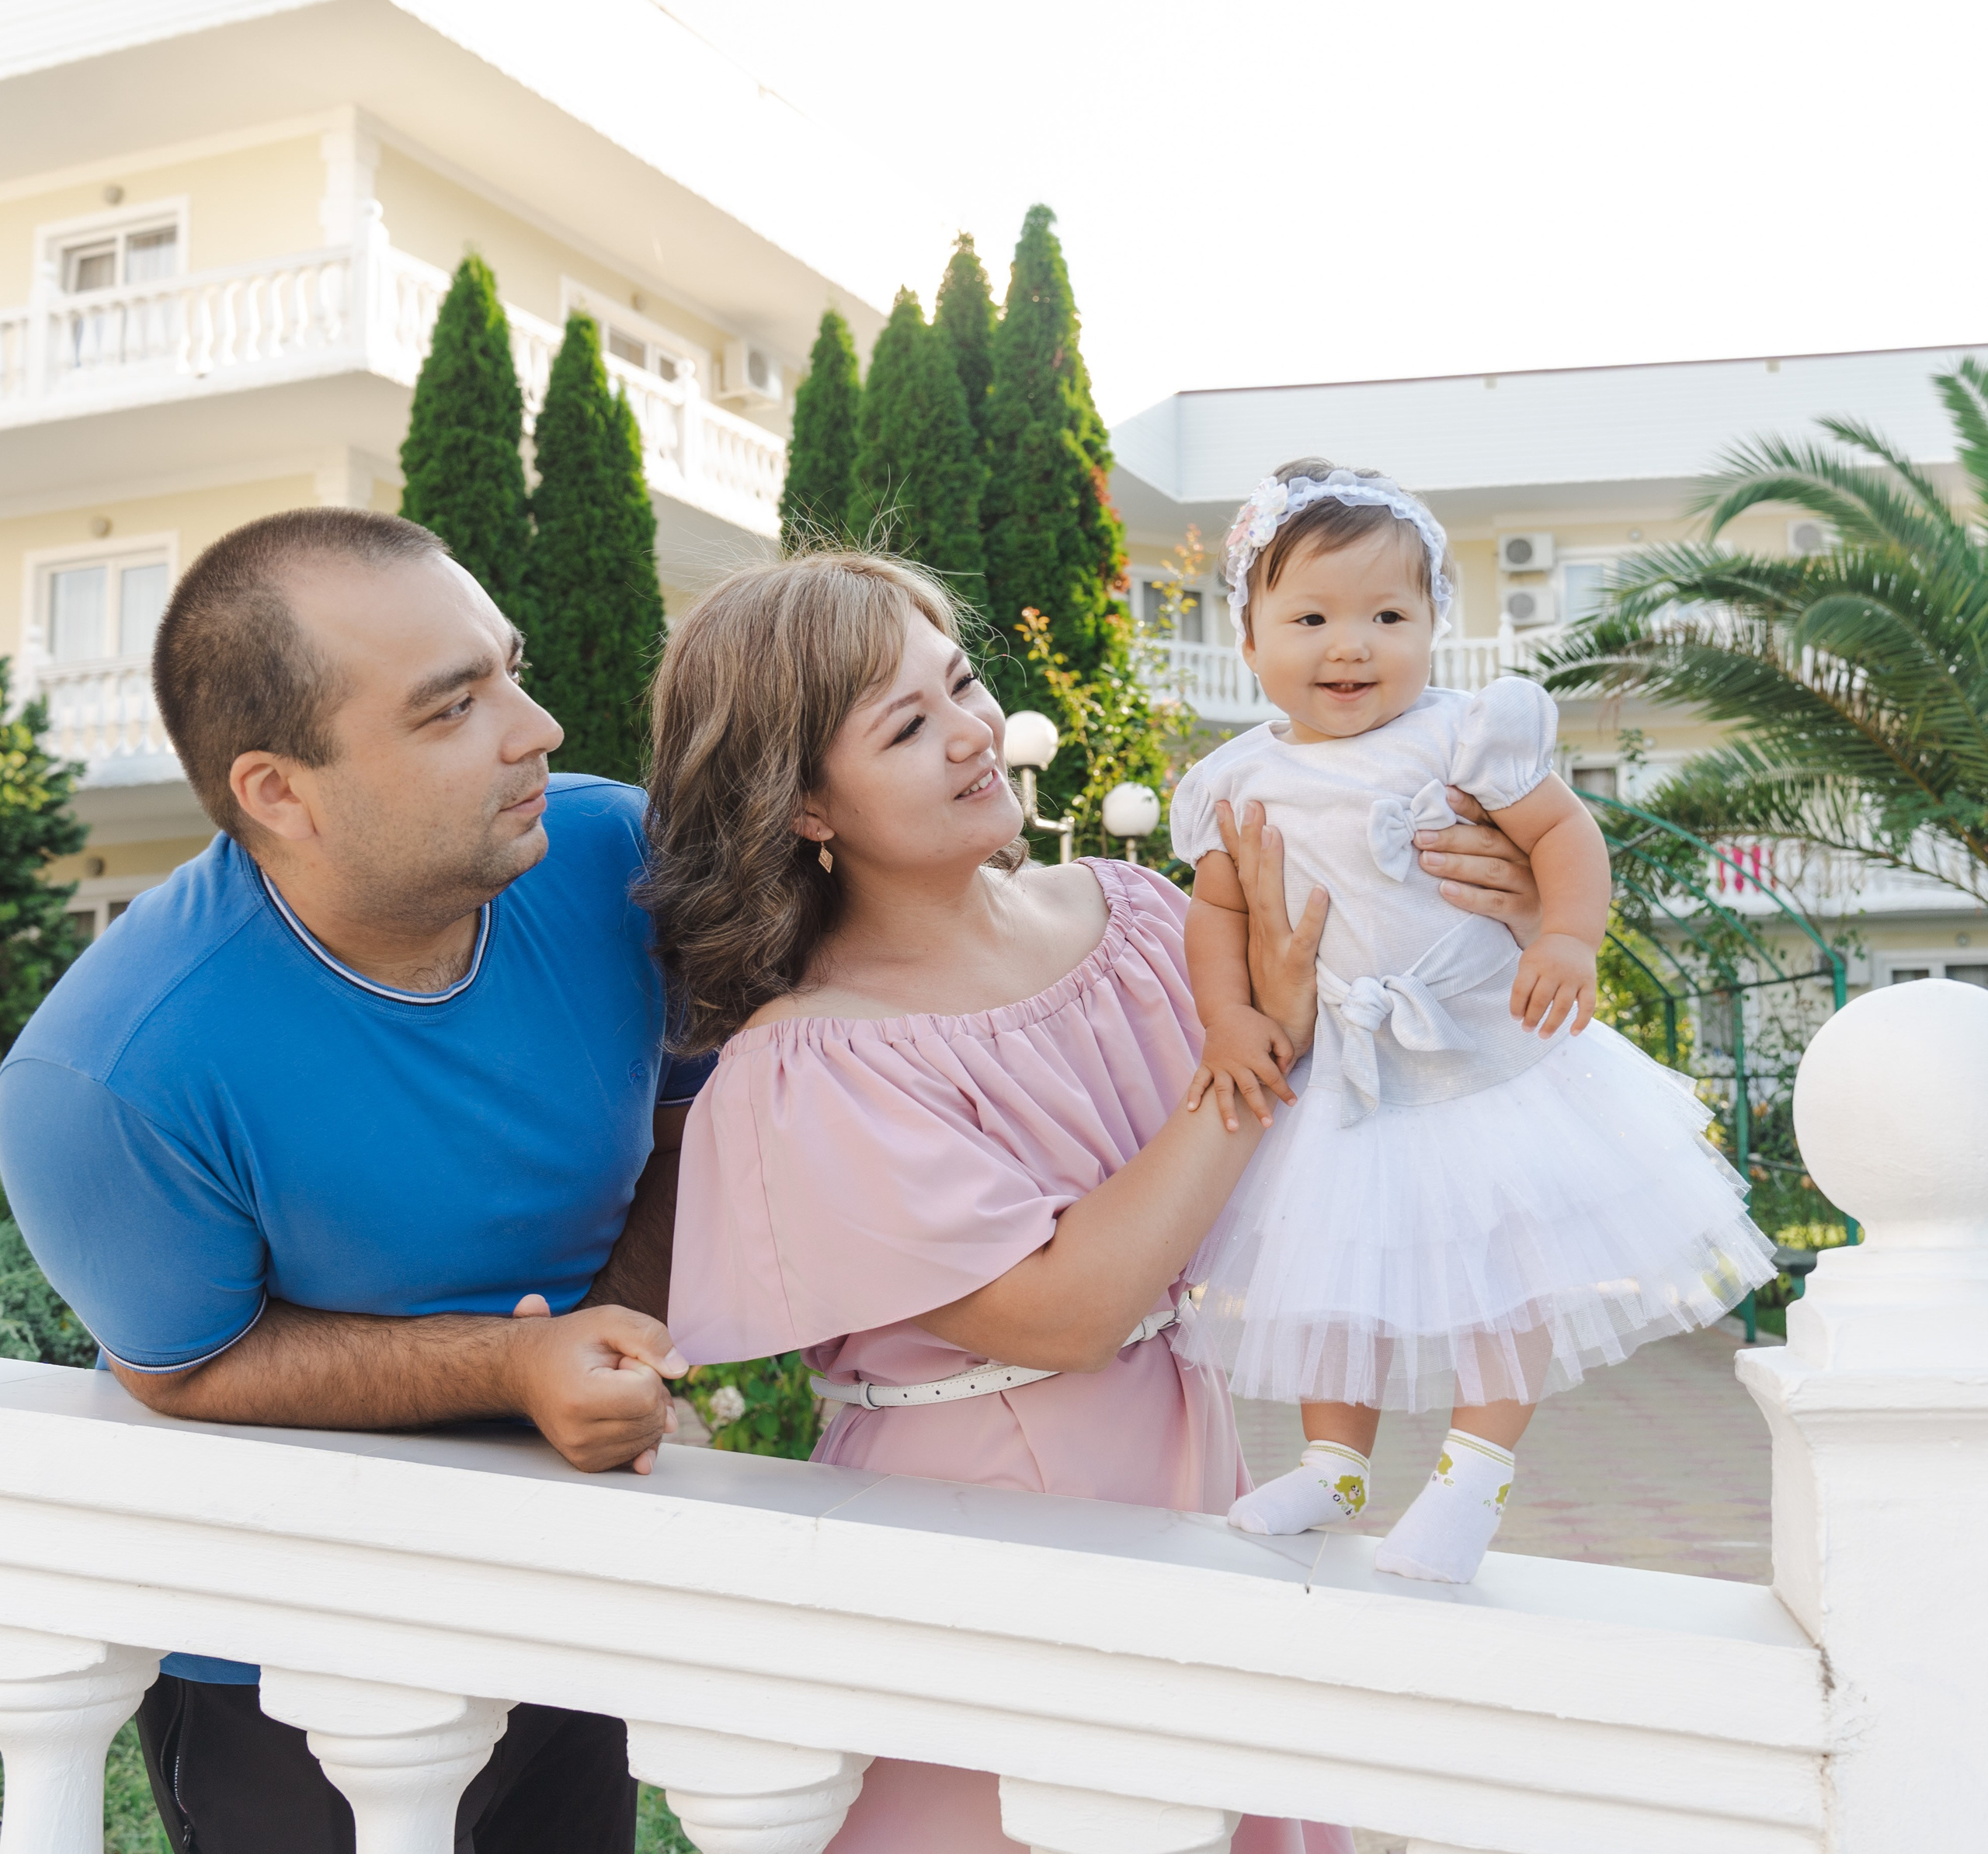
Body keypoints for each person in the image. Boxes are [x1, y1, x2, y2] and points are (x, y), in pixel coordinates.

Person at [647, 549, 1546, 1853]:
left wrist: (1503, 911)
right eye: (906, 727)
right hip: (976, 1548)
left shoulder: (1134, 918)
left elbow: (1365, 1070)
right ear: (803, 808)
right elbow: (1065, 1313)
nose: (972, 733)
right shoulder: (811, 1063)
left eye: (962, 684)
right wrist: (1252, 1057)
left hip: (1197, 1493)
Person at [0, 507, 705, 1854]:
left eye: (510, 669)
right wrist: (516, 1367)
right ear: (279, 792)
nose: (539, 727)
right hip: (281, 1642)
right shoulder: (106, 1077)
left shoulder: (621, 863)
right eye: (453, 708)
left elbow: (697, 1125)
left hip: (568, 1572)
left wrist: (609, 1340)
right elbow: (188, 1367)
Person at [1170, 460, 1777, 1585]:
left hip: (1486, 1062)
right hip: (1348, 1077)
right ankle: (1333, 1465)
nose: (1351, 646)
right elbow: (1216, 914)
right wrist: (1225, 1019)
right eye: (1311, 618)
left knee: (1506, 1274)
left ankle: (1473, 1476)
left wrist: (1566, 939)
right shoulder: (1232, 780)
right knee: (1334, 1280)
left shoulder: (1459, 737)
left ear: (1434, 625)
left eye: (1388, 617)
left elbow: (1565, 835)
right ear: (1248, 640)